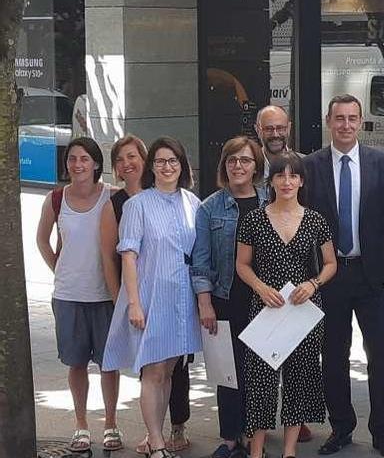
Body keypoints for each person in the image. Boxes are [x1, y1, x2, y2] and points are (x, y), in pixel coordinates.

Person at [303, 94, 384, 457]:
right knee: (333, 355)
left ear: (361, 122)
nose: (346, 125)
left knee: (381, 355)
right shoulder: (310, 166)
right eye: (339, 118)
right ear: (329, 121)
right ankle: (341, 427)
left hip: (372, 275)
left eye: (352, 118)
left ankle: (381, 431)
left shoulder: (381, 163)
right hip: (329, 276)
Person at [102, 137, 204, 458]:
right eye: (160, 161)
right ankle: (158, 444)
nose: (167, 166)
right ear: (152, 167)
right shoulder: (137, 205)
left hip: (182, 298)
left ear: (182, 165)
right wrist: (133, 301)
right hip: (151, 296)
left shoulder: (193, 203)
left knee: (169, 371)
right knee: (153, 370)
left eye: (173, 160)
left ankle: (154, 436)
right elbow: (128, 256)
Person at [236, 152, 337, 458]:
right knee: (261, 383)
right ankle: (257, 450)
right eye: (281, 176)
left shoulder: (315, 220)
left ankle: (289, 451)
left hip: (302, 312)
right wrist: (260, 287)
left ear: (301, 181)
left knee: (299, 379)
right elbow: (242, 265)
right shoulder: (253, 219)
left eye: (293, 176)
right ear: (272, 181)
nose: (287, 182)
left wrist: (313, 283)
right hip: (266, 309)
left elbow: (331, 263)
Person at [36, 137, 122, 453]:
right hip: (69, 296)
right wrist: (59, 268)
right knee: (75, 364)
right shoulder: (56, 199)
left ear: (96, 163)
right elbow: (42, 240)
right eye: (72, 159)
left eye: (84, 158)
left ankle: (111, 424)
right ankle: (81, 425)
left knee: (108, 364)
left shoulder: (111, 197)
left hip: (104, 295)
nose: (78, 164)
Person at [190, 136, 267, 458]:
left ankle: (254, 434)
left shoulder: (270, 202)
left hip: (264, 301)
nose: (238, 166)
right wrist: (204, 302)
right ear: (224, 165)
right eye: (232, 160)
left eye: (245, 160)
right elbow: (201, 261)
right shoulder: (209, 207)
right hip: (224, 298)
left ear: (256, 166)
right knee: (228, 371)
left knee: (259, 371)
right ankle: (231, 437)